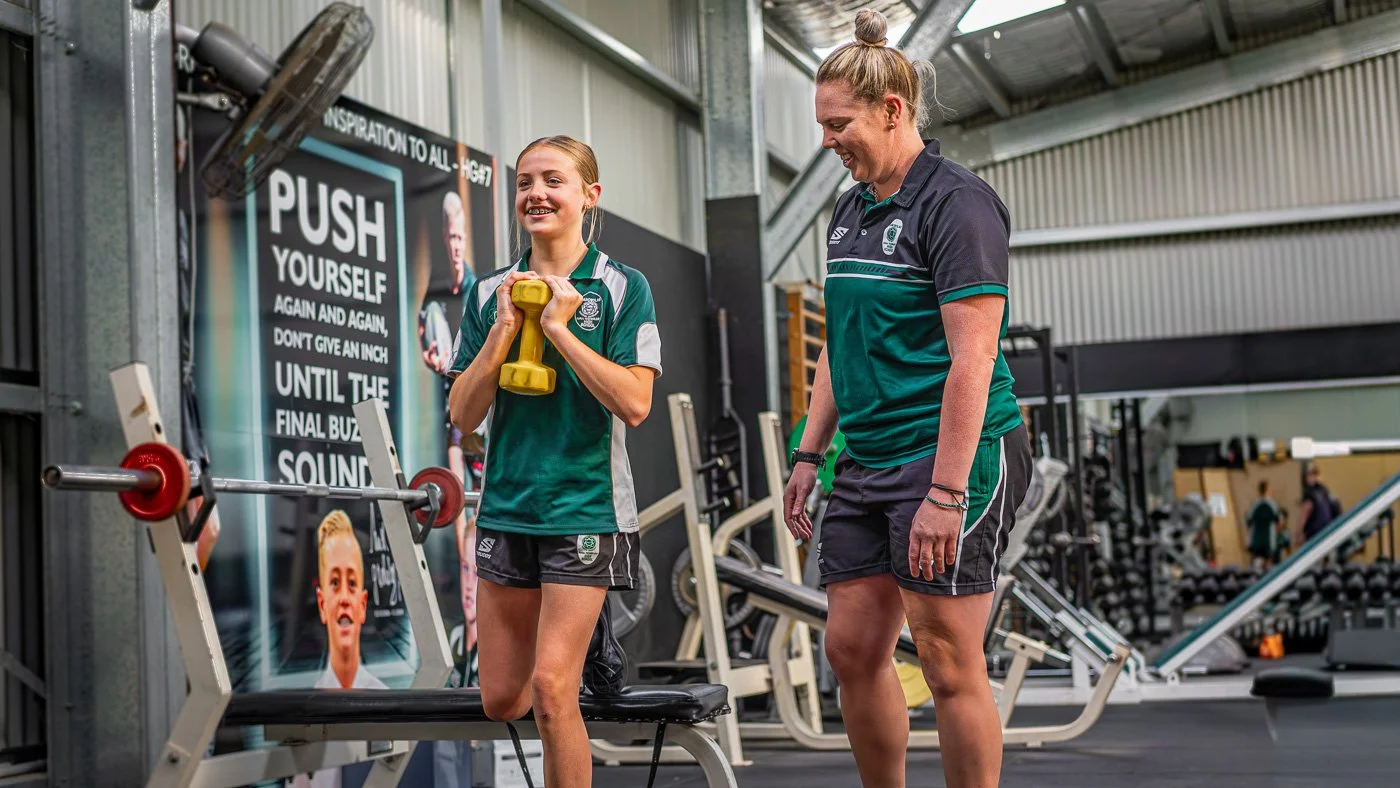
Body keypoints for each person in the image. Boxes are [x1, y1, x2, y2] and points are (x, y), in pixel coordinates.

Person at [783, 10, 1033, 788]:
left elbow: (974, 359)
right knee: (851, 648)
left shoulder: (956, 204)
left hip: (954, 452)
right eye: (822, 125)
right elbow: (841, 346)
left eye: (839, 123)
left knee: (947, 659)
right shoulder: (850, 208)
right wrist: (807, 453)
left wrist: (947, 493)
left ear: (893, 111)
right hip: (867, 454)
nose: (828, 141)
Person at [446, 134, 661, 788]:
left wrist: (562, 329)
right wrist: (508, 329)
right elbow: (461, 414)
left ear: (589, 196)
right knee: (501, 699)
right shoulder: (487, 294)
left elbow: (635, 403)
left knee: (548, 690)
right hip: (510, 511)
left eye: (553, 181)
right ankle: (589, 639)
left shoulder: (623, 287)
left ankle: (575, 646)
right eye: (525, 183)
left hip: (586, 512)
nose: (536, 193)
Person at [291, 510, 386, 788]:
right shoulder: (303, 720)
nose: (344, 597)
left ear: (363, 603)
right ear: (322, 604)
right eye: (334, 583)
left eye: (352, 583)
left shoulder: (389, 707)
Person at [1246, 480, 1288, 570]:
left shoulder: (1254, 505)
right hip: (1269, 541)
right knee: (1269, 563)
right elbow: (1280, 522)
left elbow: (1248, 523)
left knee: (1256, 563)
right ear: (1269, 490)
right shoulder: (1273, 505)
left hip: (1256, 540)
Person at [1299, 465, 1341, 543]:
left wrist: (1299, 532)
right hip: (1328, 529)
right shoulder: (1326, 491)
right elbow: (1337, 508)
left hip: (1314, 532)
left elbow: (1305, 512)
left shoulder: (1310, 492)